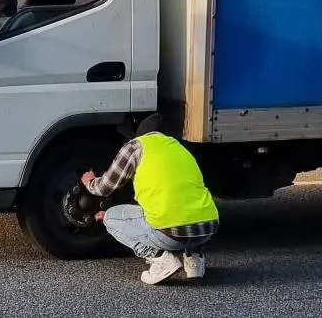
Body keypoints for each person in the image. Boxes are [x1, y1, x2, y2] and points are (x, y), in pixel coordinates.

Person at [82, 113, 219, 285]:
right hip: (207, 229)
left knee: (111, 217)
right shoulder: (179, 148)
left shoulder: (136, 146)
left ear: (141, 134)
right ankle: (195, 262)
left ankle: (160, 260)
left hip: (170, 233)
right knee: (187, 207)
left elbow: (105, 188)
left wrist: (89, 182)